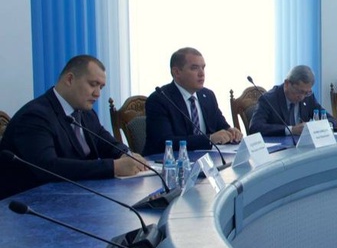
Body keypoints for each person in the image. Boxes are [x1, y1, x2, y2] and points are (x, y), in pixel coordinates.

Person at [0, 55, 150, 199]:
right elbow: (48, 167)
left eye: (101, 87)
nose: (97, 93)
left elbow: (107, 143)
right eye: (93, 84)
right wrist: (113, 167)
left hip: (77, 196)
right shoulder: (35, 116)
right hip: (31, 204)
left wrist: (127, 155)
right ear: (70, 79)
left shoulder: (86, 113)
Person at [144, 47, 242, 155]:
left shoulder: (208, 95)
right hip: (168, 161)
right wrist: (209, 139)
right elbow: (165, 142)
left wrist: (231, 132)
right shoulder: (160, 99)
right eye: (194, 68)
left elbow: (221, 126)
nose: (201, 73)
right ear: (177, 72)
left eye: (203, 68)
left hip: (207, 159)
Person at [248, 65, 336, 137]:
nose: (302, 97)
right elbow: (255, 127)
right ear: (287, 84)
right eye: (299, 92)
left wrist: (319, 127)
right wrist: (291, 130)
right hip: (279, 149)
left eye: (306, 93)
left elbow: (331, 120)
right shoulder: (269, 99)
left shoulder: (308, 97)